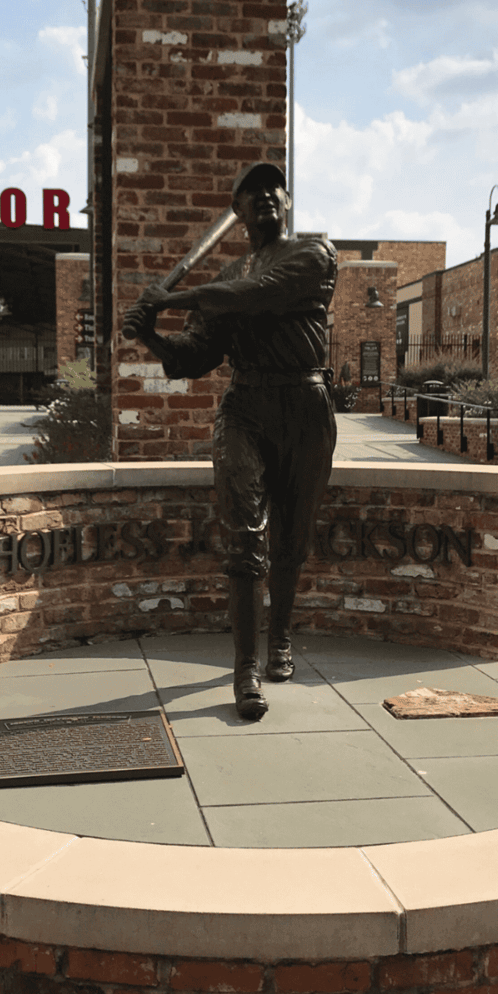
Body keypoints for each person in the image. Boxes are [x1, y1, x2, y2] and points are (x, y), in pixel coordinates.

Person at [122, 161, 338, 720]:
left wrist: (170, 300)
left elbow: (254, 295)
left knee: (293, 537)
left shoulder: (313, 256)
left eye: (273, 189)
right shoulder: (228, 276)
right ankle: (245, 670)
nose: (265, 196)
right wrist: (150, 332)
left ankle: (281, 638)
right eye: (251, 193)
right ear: (238, 213)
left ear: (287, 202)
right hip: (247, 409)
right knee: (246, 536)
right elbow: (193, 358)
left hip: (307, 406)